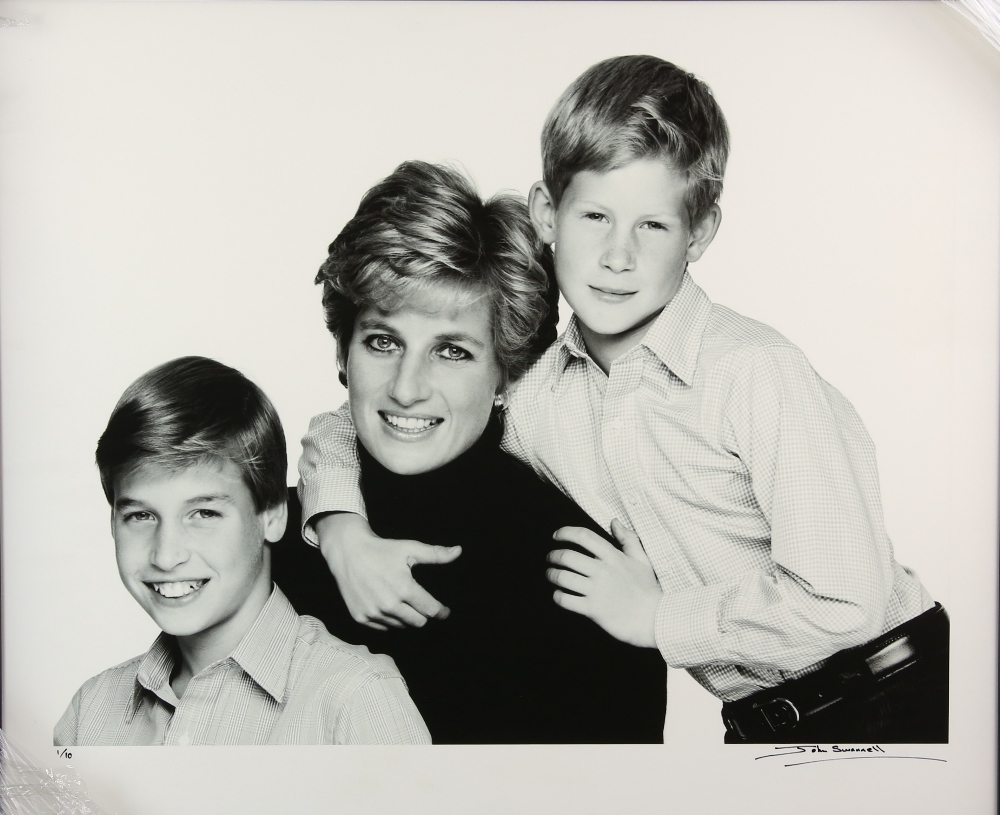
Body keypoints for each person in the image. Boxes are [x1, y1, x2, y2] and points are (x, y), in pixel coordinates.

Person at [296, 56, 949, 744]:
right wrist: (341, 527)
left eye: (653, 227)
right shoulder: (539, 394)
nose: (617, 257)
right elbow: (384, 413)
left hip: (892, 688)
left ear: (699, 232)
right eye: (596, 217)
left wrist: (657, 617)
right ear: (548, 213)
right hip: (762, 725)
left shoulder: (755, 371)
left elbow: (846, 601)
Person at [273, 160, 666, 744]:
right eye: (383, 342)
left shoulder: (583, 571)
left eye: (452, 351)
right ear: (343, 353)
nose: (407, 388)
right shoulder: (268, 540)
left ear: (508, 371)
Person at [54, 356, 430, 746]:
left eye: (203, 513)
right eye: (141, 516)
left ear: (271, 515)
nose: (165, 557)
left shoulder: (355, 700)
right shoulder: (91, 712)